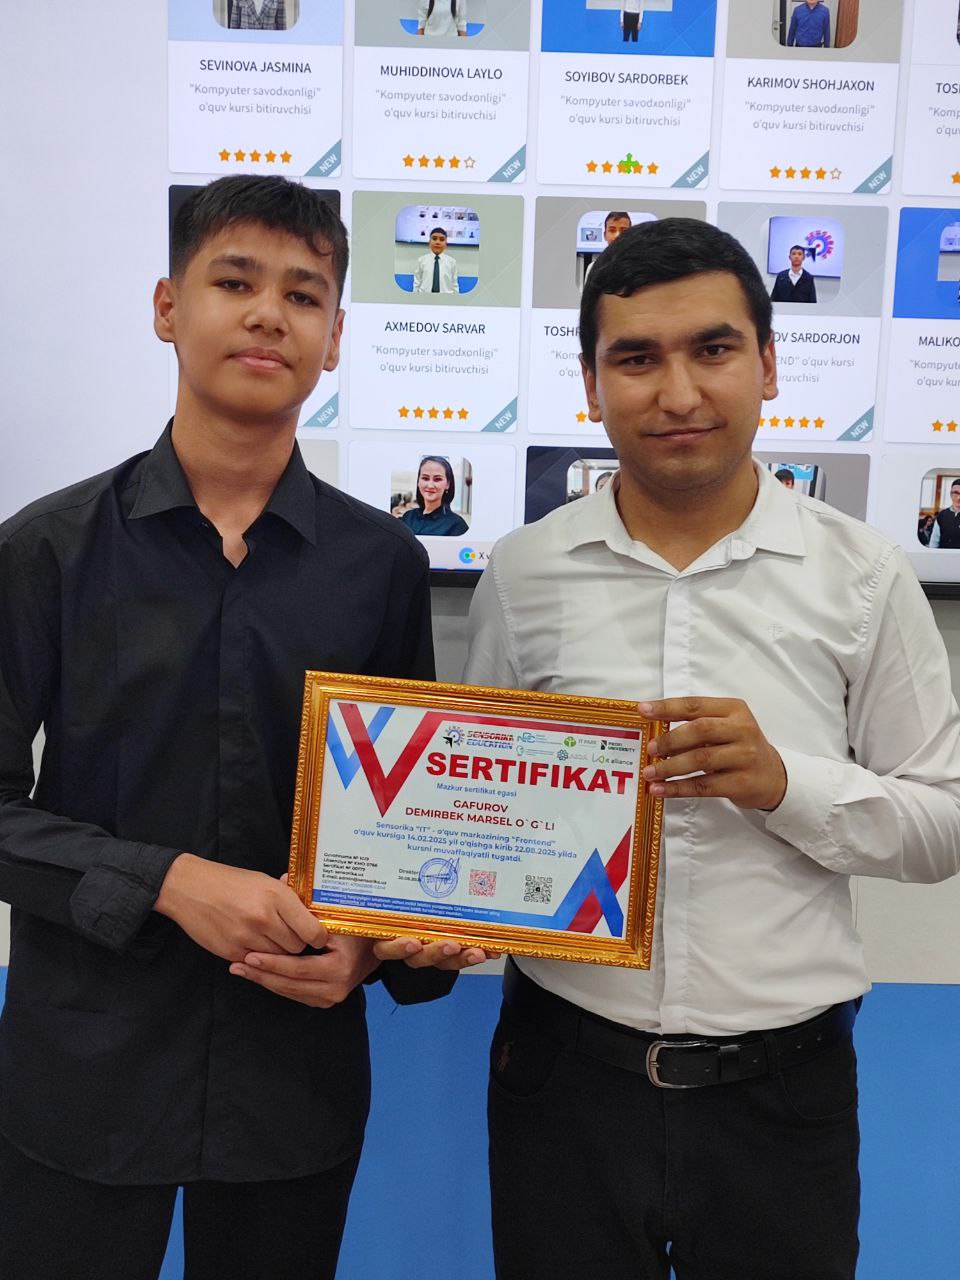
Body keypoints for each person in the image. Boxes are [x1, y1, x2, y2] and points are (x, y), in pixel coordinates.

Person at [444, 217, 960, 1278]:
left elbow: (941, 823)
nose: (677, 392)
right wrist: (445, 901)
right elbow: (471, 797)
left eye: (713, 349)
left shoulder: (865, 576)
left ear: (767, 364)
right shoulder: (524, 571)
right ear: (592, 385)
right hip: (561, 1079)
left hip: (784, 1096)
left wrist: (786, 785)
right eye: (636, 358)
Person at [0, 175, 483, 1280]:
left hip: (289, 1070)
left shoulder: (381, 567)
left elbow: (404, 829)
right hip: (83, 1064)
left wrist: (371, 949)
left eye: (303, 295)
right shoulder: (46, 549)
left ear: (335, 338)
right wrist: (168, 880)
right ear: (168, 307)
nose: (269, 314)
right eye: (235, 282)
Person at [399, 456, 469, 536]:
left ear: (448, 484)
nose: (430, 485)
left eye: (437, 479)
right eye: (425, 478)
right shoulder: (408, 517)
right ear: (418, 482)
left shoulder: (457, 525)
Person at [585, 211, 633, 283]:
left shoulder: (639, 267)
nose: (617, 235)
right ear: (605, 235)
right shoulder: (593, 268)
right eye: (612, 230)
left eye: (623, 230)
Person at [413, 227, 460, 295]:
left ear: (446, 243)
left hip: (446, 298)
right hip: (424, 297)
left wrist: (457, 299)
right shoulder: (421, 260)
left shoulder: (452, 262)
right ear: (429, 242)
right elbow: (417, 283)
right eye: (434, 239)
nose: (437, 242)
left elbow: (454, 284)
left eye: (442, 239)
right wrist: (414, 298)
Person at [929, 480, 960, 547]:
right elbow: (934, 541)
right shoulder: (941, 515)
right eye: (956, 493)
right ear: (950, 494)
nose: (959, 497)